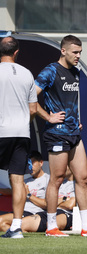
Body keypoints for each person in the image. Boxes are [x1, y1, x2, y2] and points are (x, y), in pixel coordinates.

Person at [35, 35, 87, 237]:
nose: (78, 56)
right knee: (56, 179)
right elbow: (31, 95)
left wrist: (76, 119)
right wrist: (48, 117)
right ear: (63, 51)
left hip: (75, 133)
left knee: (83, 178)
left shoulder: (76, 72)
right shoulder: (50, 70)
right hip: (57, 134)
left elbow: (71, 101)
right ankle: (51, 227)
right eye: (75, 52)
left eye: (80, 52)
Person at [0, 36, 37, 238]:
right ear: (16, 53)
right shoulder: (27, 73)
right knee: (18, 180)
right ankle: (16, 227)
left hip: (1, 131)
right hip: (22, 133)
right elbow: (33, 109)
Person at [0, 151, 49, 234]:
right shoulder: (25, 181)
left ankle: (20, 233)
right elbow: (12, 191)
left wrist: (29, 195)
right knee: (2, 223)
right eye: (28, 164)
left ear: (41, 163)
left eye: (32, 163)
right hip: (22, 212)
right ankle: (20, 235)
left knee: (1, 220)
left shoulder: (48, 180)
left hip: (36, 214)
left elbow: (47, 204)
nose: (30, 167)